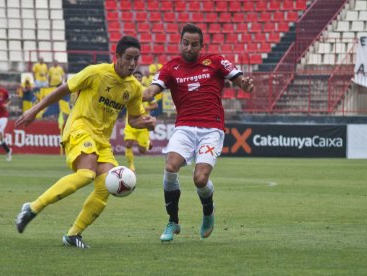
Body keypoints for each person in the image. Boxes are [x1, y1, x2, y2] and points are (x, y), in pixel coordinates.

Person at [14, 36, 156, 248]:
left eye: (136, 58)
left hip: (102, 140)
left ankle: (73, 234)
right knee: (87, 174)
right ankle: (33, 207)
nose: (133, 63)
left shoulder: (134, 87)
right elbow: (63, 89)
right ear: (116, 57)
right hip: (79, 128)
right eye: (128, 58)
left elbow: (134, 119)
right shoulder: (96, 72)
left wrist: (147, 123)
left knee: (106, 185)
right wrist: (34, 110)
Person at [143, 23, 254, 242]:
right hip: (184, 127)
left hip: (211, 129)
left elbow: (240, 80)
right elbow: (151, 91)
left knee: (200, 179)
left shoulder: (216, 61)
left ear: (201, 46)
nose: (189, 48)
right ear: (180, 43)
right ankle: (173, 222)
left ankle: (208, 213)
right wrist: (141, 93)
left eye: (194, 45)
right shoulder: (171, 67)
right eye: (185, 43)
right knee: (170, 167)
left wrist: (245, 85)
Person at [124, 70, 158, 171]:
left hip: (143, 122)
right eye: (136, 77)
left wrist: (145, 109)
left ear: (141, 79)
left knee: (142, 151)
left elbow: (155, 105)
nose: (137, 79)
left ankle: (148, 143)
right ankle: (131, 166)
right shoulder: (127, 90)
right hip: (130, 121)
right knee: (128, 143)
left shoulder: (146, 91)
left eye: (139, 77)